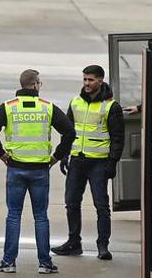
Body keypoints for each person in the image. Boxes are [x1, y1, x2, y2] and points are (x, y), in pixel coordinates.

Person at [0, 69, 74, 274]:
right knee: (41, 216)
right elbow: (69, 132)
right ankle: (44, 263)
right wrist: (56, 156)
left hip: (16, 167)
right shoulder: (47, 108)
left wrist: (1, 154)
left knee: (13, 215)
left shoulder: (8, 107)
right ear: (35, 85)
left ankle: (8, 262)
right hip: (40, 169)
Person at [53, 65, 125, 260]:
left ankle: (103, 246)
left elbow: (118, 138)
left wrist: (112, 162)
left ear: (100, 81)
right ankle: (73, 242)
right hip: (77, 160)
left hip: (98, 163)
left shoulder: (111, 106)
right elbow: (68, 132)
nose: (86, 83)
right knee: (71, 202)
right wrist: (64, 155)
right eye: (85, 79)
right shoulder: (76, 102)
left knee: (101, 206)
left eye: (91, 80)